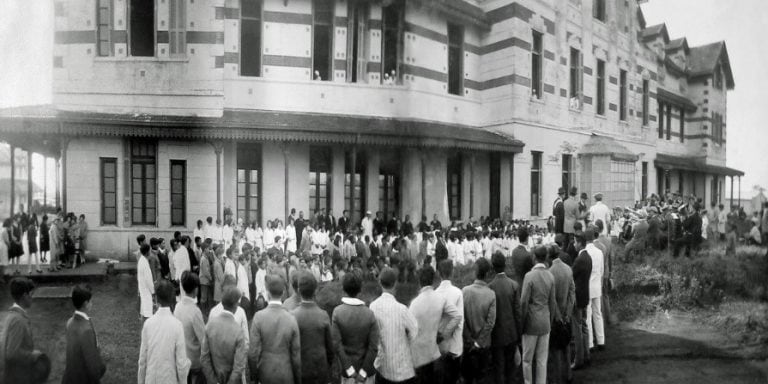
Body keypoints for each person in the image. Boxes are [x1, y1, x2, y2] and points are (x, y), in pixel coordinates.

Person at [409, 266, 461, 384]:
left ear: (419, 281)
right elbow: (457, 316)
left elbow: (410, 331)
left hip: (420, 356)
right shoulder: (440, 298)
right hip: (436, 352)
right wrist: (444, 334)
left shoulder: (414, 304)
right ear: (433, 280)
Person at [248, 275, 301, 384]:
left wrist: (254, 376)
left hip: (265, 372)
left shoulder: (259, 317)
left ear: (267, 293)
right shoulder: (291, 318)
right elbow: (296, 354)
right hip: (286, 373)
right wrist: (297, 377)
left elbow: (253, 353)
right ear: (282, 294)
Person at [370, 268, 419, 384]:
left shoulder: (373, 307)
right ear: (395, 284)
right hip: (403, 369)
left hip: (382, 366)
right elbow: (415, 332)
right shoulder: (402, 309)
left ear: (380, 283)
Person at [138, 279, 191, 384]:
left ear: (156, 299)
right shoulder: (177, 326)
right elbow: (181, 364)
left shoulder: (148, 324)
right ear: (172, 299)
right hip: (169, 379)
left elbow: (142, 361)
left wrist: (140, 381)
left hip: (151, 379)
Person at [520, 246, 559, 384]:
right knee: (542, 360)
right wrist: (550, 319)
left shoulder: (529, 276)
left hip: (531, 322)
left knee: (527, 359)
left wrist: (521, 323)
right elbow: (552, 302)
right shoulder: (550, 275)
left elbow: (524, 302)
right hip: (545, 321)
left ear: (534, 258)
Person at [332, 273, 379, 384]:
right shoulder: (370, 314)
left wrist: (350, 370)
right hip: (367, 373)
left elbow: (337, 345)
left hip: (347, 373)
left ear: (343, 289)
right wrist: (363, 373)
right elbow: (373, 347)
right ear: (360, 290)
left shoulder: (337, 313)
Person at [292, 272, 334, 384]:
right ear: (315, 291)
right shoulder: (323, 315)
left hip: (301, 371)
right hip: (320, 369)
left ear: (299, 291)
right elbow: (330, 347)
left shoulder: (292, 315)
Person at [0, 277, 44, 383]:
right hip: (17, 376)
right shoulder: (18, 320)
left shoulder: (13, 315)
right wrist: (33, 355)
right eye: (31, 294)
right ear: (24, 296)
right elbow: (11, 353)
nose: (32, 298)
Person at [201, 285, 248, 384]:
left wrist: (213, 381)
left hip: (214, 379)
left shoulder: (210, 326)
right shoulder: (238, 331)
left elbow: (204, 358)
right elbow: (239, 365)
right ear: (235, 305)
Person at [488, 252, 522, 384]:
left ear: (493, 266)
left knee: (499, 367)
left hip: (497, 334)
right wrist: (519, 334)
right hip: (511, 333)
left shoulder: (490, 287)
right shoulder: (513, 285)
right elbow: (518, 313)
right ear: (505, 265)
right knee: (510, 368)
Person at [461, 258, 496, 384]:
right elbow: (490, 322)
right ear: (487, 274)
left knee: (468, 377)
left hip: (468, 343)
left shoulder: (465, 291)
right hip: (484, 344)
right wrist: (479, 342)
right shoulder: (491, 294)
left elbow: (462, 318)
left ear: (475, 272)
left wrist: (470, 339)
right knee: (482, 376)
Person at [62, 284, 106, 384]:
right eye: (91, 301)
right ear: (86, 303)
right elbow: (92, 363)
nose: (92, 303)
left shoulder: (70, 322)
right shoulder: (86, 330)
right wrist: (100, 369)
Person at [547, 245, 575, 384]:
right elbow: (572, 293)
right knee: (567, 345)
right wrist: (568, 315)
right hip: (566, 315)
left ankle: (558, 378)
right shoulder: (568, 269)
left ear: (549, 256)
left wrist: (558, 317)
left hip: (556, 318)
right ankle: (569, 375)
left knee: (556, 349)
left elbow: (551, 299)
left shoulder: (549, 272)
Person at [434, 260, 463, 384]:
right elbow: (460, 321)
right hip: (454, 345)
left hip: (439, 346)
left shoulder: (435, 294)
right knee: (453, 378)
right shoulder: (457, 293)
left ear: (438, 273)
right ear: (452, 272)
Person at [174, 271, 206, 384]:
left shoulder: (177, 307)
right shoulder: (195, 311)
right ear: (196, 289)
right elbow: (203, 339)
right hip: (194, 361)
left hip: (180, 357)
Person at [571, 233, 593, 369]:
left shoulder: (579, 259)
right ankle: (586, 354)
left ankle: (578, 360)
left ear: (579, 243)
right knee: (584, 326)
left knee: (577, 328)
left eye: (575, 242)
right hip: (585, 295)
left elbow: (571, 275)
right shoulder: (588, 257)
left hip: (578, 297)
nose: (574, 244)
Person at [584, 228, 605, 351]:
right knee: (598, 314)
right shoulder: (599, 252)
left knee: (588, 315)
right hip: (597, 286)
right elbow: (601, 271)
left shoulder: (584, 252)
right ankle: (601, 340)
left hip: (587, 287)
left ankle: (590, 343)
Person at [137, 244, 156, 320]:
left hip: (143, 287)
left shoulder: (142, 260)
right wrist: (152, 291)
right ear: (147, 252)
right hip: (146, 288)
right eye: (150, 250)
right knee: (148, 310)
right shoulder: (144, 263)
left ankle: (143, 320)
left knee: (144, 307)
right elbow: (148, 279)